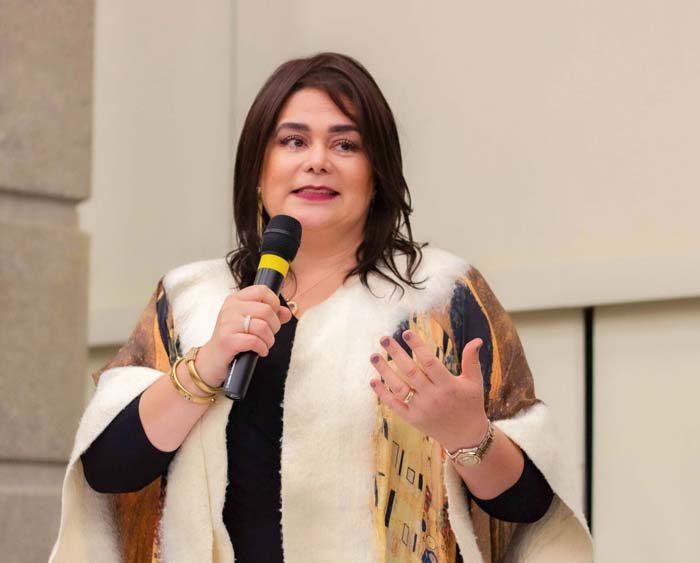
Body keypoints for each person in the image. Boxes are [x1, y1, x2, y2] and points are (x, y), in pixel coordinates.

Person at [50, 53, 592, 562]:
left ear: (376, 176)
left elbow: (529, 506)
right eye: (293, 141)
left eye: (345, 145)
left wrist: (467, 434)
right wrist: (206, 364)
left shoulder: (441, 296)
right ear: (258, 170)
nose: (317, 161)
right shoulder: (189, 298)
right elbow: (109, 472)